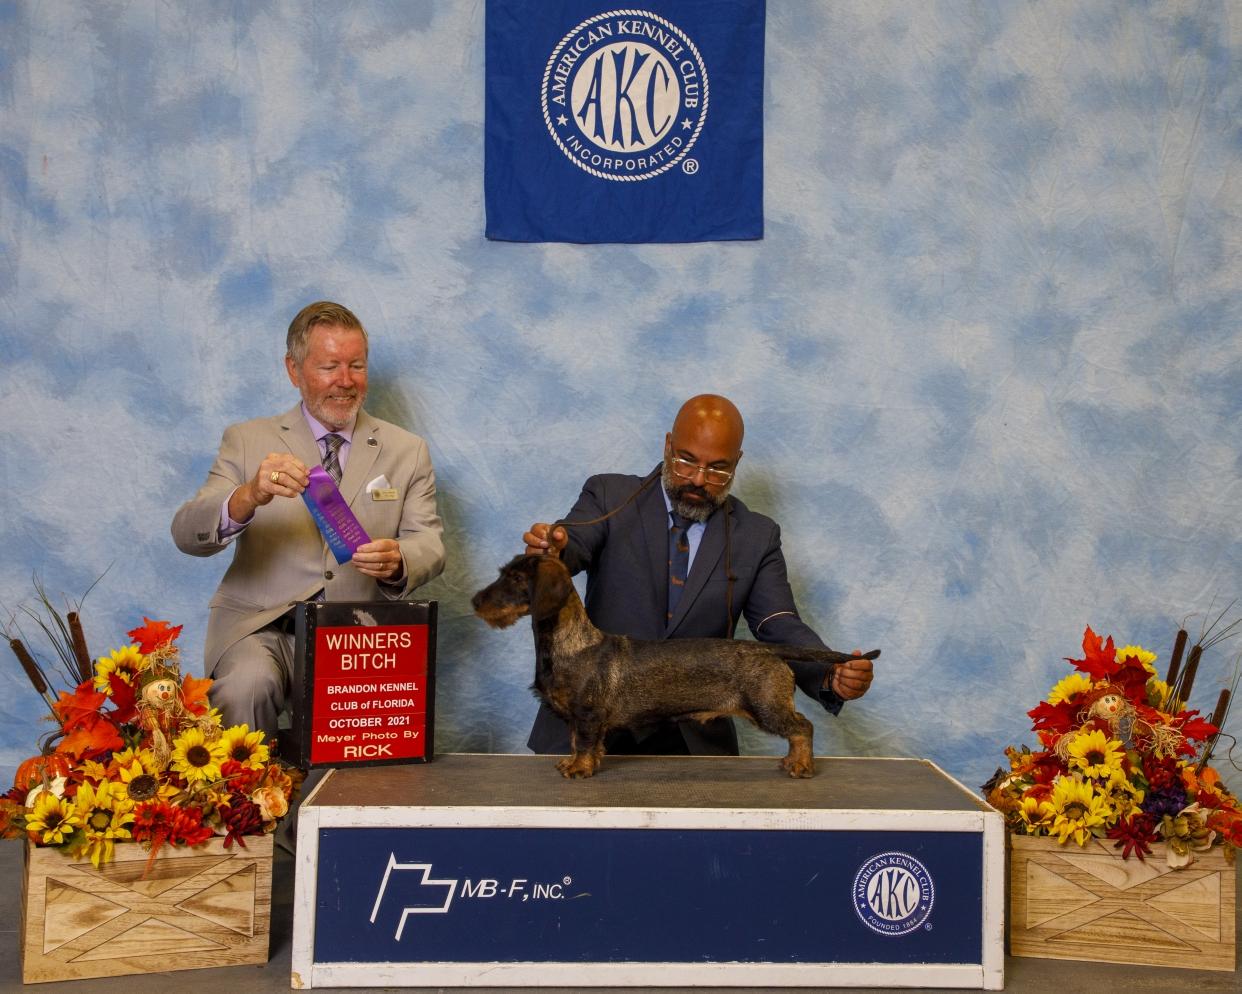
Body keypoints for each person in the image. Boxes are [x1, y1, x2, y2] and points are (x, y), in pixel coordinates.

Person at [522, 393, 873, 756]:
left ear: (737, 463)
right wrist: (552, 551)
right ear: (668, 446)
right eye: (686, 461)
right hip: (586, 731)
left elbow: (779, 622)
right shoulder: (608, 495)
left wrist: (829, 672)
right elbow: (575, 542)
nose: (699, 479)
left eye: (718, 469)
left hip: (693, 742)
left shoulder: (757, 536)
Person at [171, 301, 445, 748]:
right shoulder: (246, 440)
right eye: (329, 366)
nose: (345, 380)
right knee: (245, 688)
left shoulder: (407, 449)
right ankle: (250, 797)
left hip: (356, 638)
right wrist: (247, 496)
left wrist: (400, 560)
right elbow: (187, 533)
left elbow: (429, 542)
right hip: (260, 626)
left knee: (366, 757)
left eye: (357, 365)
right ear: (293, 370)